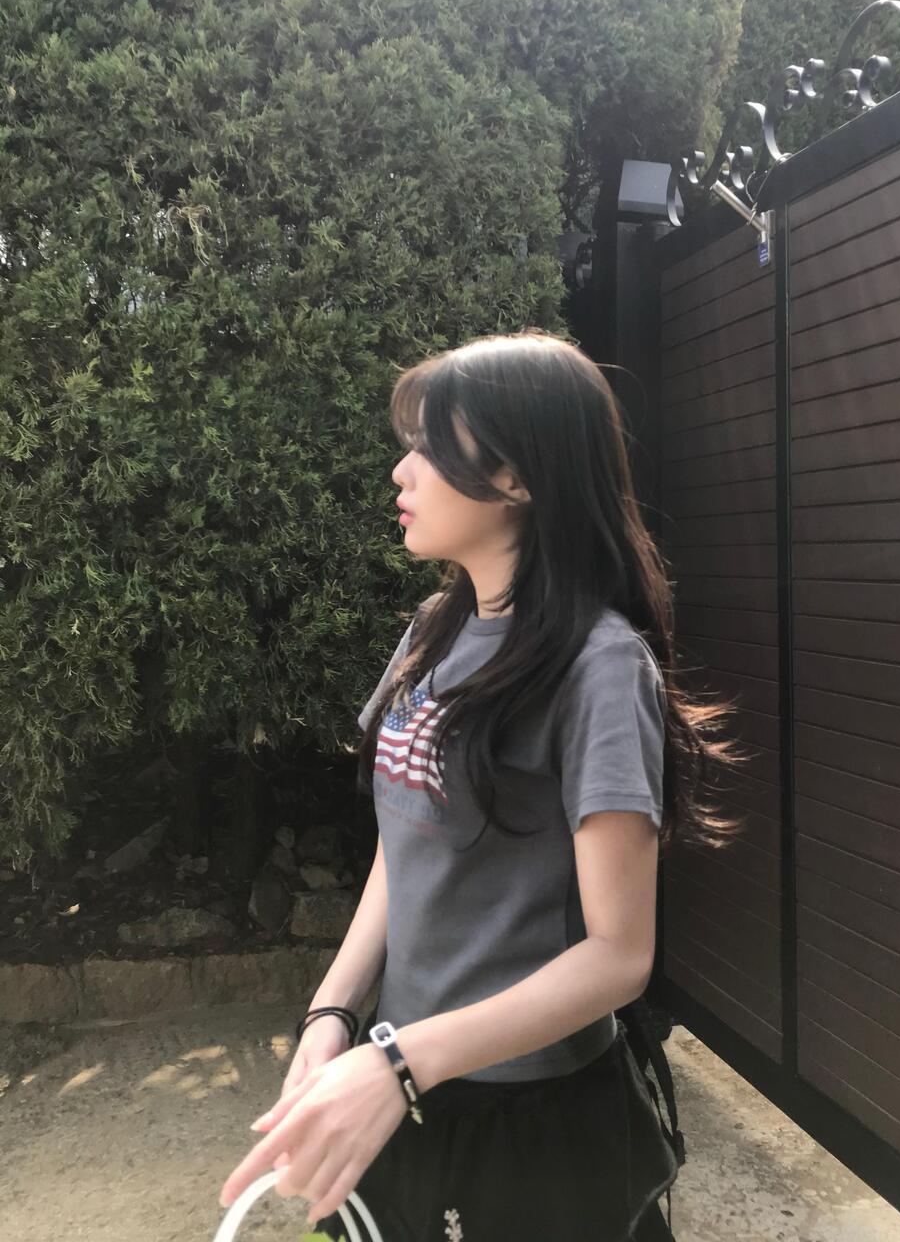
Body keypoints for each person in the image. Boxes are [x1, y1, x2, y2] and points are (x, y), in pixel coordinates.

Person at [217, 329, 744, 1242]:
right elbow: (405, 847)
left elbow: (619, 955)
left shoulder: (599, 666)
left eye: (428, 446)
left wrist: (397, 1065)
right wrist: (333, 1014)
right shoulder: (433, 628)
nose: (400, 471)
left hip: (528, 1124)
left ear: (517, 477)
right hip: (408, 1078)